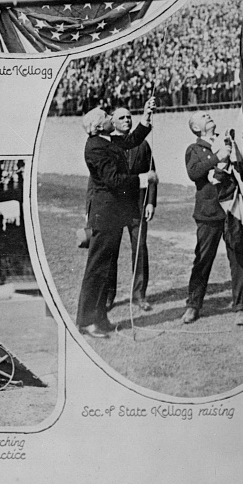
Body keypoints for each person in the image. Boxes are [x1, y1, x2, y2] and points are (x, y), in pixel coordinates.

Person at [75, 98, 156, 338]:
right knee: (97, 269)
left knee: (105, 268)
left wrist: (145, 117)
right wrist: (144, 179)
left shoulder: (107, 141)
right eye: (107, 117)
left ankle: (100, 318)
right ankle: (87, 321)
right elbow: (114, 181)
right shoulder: (96, 147)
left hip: (112, 216)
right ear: (99, 126)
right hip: (104, 215)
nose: (112, 119)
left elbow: (131, 140)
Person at [181, 113, 243, 327]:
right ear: (196, 128)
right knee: (202, 259)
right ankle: (193, 305)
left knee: (239, 257)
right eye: (202, 117)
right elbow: (194, 172)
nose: (207, 116)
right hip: (208, 212)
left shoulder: (230, 141)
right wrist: (217, 156)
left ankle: (240, 307)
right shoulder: (194, 149)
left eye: (208, 114)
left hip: (233, 208)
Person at [107, 109, 158, 313]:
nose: (127, 120)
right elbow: (96, 181)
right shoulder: (107, 146)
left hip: (138, 206)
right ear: (113, 122)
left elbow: (152, 173)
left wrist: (151, 202)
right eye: (122, 118)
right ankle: (108, 297)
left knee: (140, 249)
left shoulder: (143, 144)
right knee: (111, 252)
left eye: (129, 117)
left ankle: (139, 295)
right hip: (115, 207)